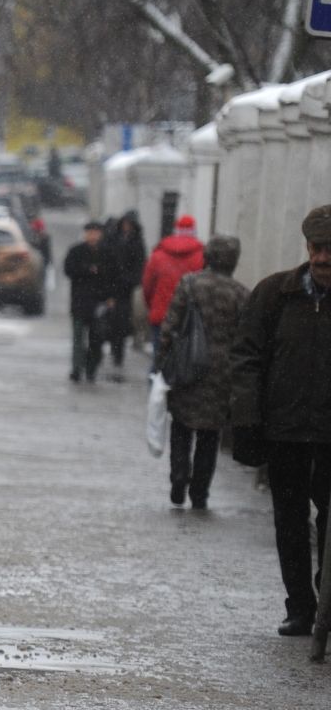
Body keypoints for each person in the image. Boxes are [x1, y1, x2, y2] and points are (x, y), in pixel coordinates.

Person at [229, 205, 331, 645]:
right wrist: (248, 422)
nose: (325, 257)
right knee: (289, 520)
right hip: (285, 429)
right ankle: (300, 609)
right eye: (318, 248)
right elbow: (247, 358)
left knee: (329, 521)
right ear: (307, 247)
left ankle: (327, 602)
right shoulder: (274, 294)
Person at [160, 235, 247, 511]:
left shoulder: (189, 283)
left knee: (181, 425)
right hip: (222, 373)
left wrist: (163, 360)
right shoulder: (240, 293)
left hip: (187, 365)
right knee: (210, 435)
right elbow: (246, 339)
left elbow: (170, 326)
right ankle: (200, 491)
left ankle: (178, 475)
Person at [142, 214, 206, 356]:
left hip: (161, 315)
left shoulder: (158, 255)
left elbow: (147, 286)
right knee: (184, 362)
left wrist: (151, 306)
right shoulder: (202, 256)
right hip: (188, 317)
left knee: (159, 360)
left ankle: (156, 377)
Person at [64, 219, 118, 383]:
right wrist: (87, 270)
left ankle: (91, 368)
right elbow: (69, 270)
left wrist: (111, 297)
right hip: (80, 301)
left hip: (99, 303)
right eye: (90, 232)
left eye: (96, 232)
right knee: (78, 338)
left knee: (97, 338)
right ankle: (76, 368)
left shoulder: (108, 253)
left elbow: (114, 277)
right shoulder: (76, 251)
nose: (93, 236)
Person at [101, 213, 146, 378]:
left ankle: (118, 354)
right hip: (110, 288)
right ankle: (111, 349)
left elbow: (139, 267)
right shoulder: (113, 239)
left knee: (121, 323)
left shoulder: (136, 243)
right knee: (109, 322)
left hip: (125, 291)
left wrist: (129, 280)